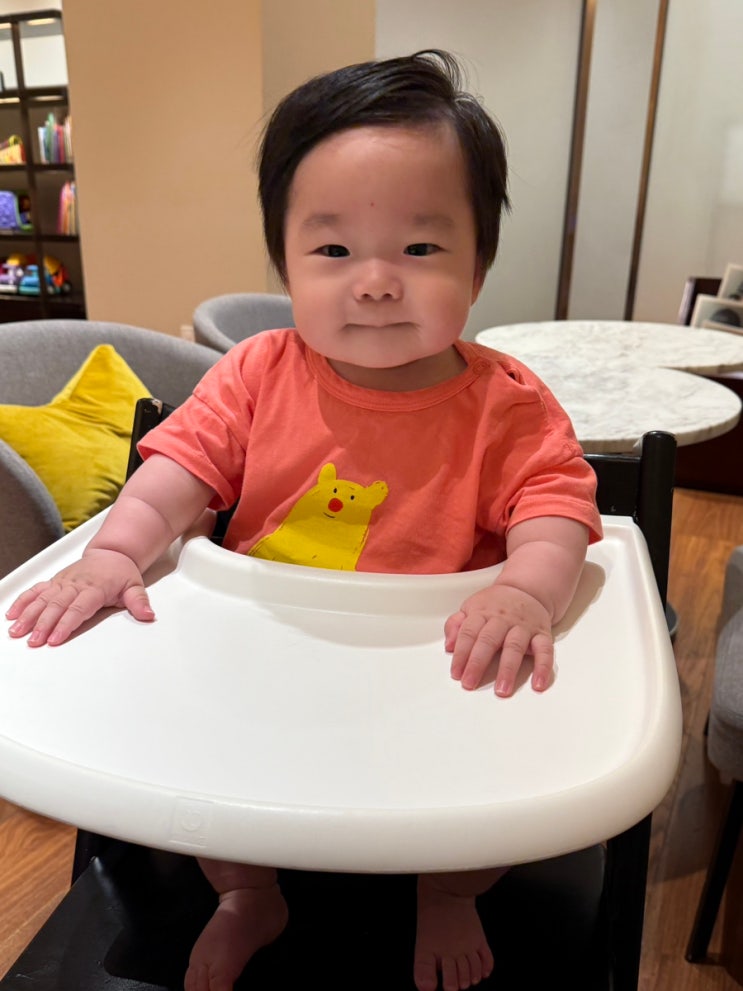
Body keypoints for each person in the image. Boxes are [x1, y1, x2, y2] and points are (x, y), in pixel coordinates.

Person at [6, 50, 602, 991]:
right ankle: (247, 892)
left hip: (426, 667)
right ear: (285, 262)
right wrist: (114, 550)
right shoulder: (255, 373)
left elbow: (557, 507)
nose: (375, 282)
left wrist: (526, 592)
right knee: (207, 775)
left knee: (489, 787)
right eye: (332, 251)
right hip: (264, 652)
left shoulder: (507, 406)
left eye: (419, 249)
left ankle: (447, 890)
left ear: (479, 264)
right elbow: (177, 475)